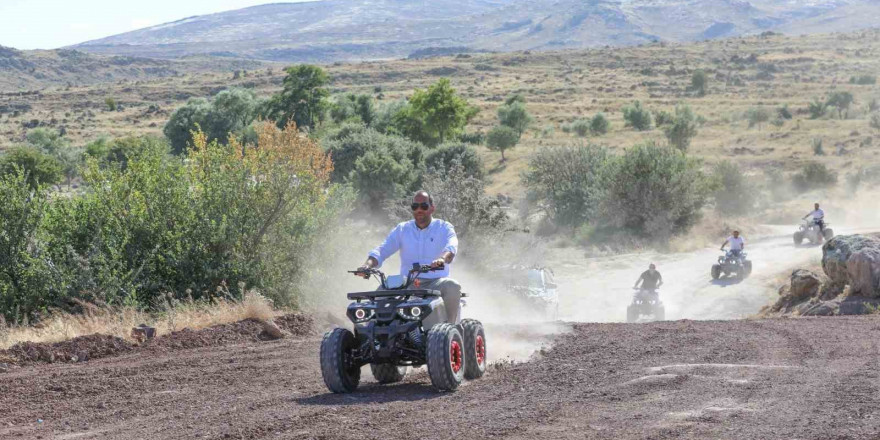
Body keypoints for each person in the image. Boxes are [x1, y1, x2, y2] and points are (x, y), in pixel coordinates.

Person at [358, 190, 462, 323]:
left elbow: (451, 247)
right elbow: (382, 250)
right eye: (415, 206)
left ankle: (451, 329)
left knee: (452, 286)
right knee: (380, 293)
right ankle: (374, 334)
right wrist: (367, 265)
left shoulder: (444, 227)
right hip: (407, 283)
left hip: (435, 282)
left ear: (432, 208)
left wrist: (442, 259)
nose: (419, 210)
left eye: (424, 206)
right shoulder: (402, 229)